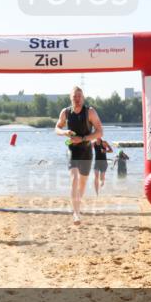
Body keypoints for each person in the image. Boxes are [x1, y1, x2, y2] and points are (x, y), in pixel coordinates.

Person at [55, 86, 103, 224]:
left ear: (83, 98)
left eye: (79, 96)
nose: (77, 99)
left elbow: (100, 132)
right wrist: (64, 132)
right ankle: (76, 214)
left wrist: (82, 139)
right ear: (71, 98)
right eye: (74, 96)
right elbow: (57, 128)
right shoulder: (65, 112)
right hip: (72, 150)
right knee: (74, 178)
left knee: (82, 184)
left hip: (87, 150)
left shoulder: (90, 112)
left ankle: (77, 207)